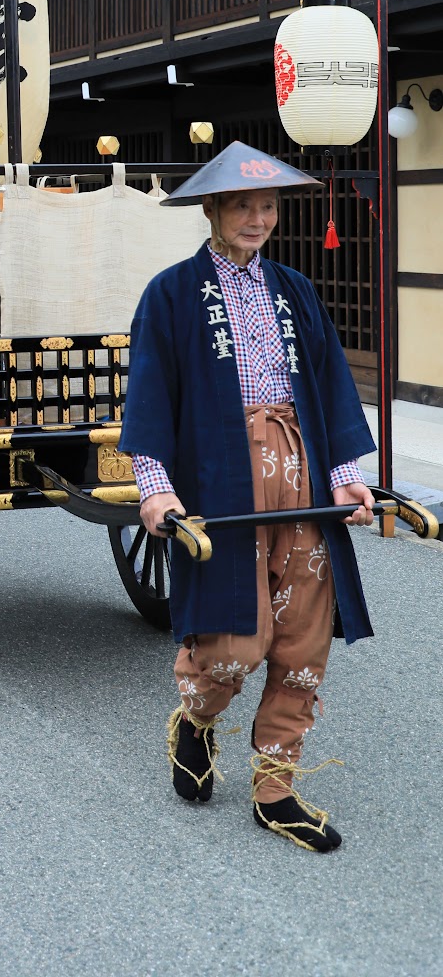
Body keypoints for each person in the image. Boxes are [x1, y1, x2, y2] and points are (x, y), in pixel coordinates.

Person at [119, 141, 376, 853]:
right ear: (211, 208)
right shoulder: (169, 293)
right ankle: (195, 722)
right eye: (242, 205)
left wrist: (344, 472)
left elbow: (327, 386)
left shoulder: (294, 288)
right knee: (234, 642)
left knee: (301, 643)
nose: (257, 218)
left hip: (300, 473)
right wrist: (155, 489)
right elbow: (149, 400)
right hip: (218, 481)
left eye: (266, 205)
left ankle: (275, 788)